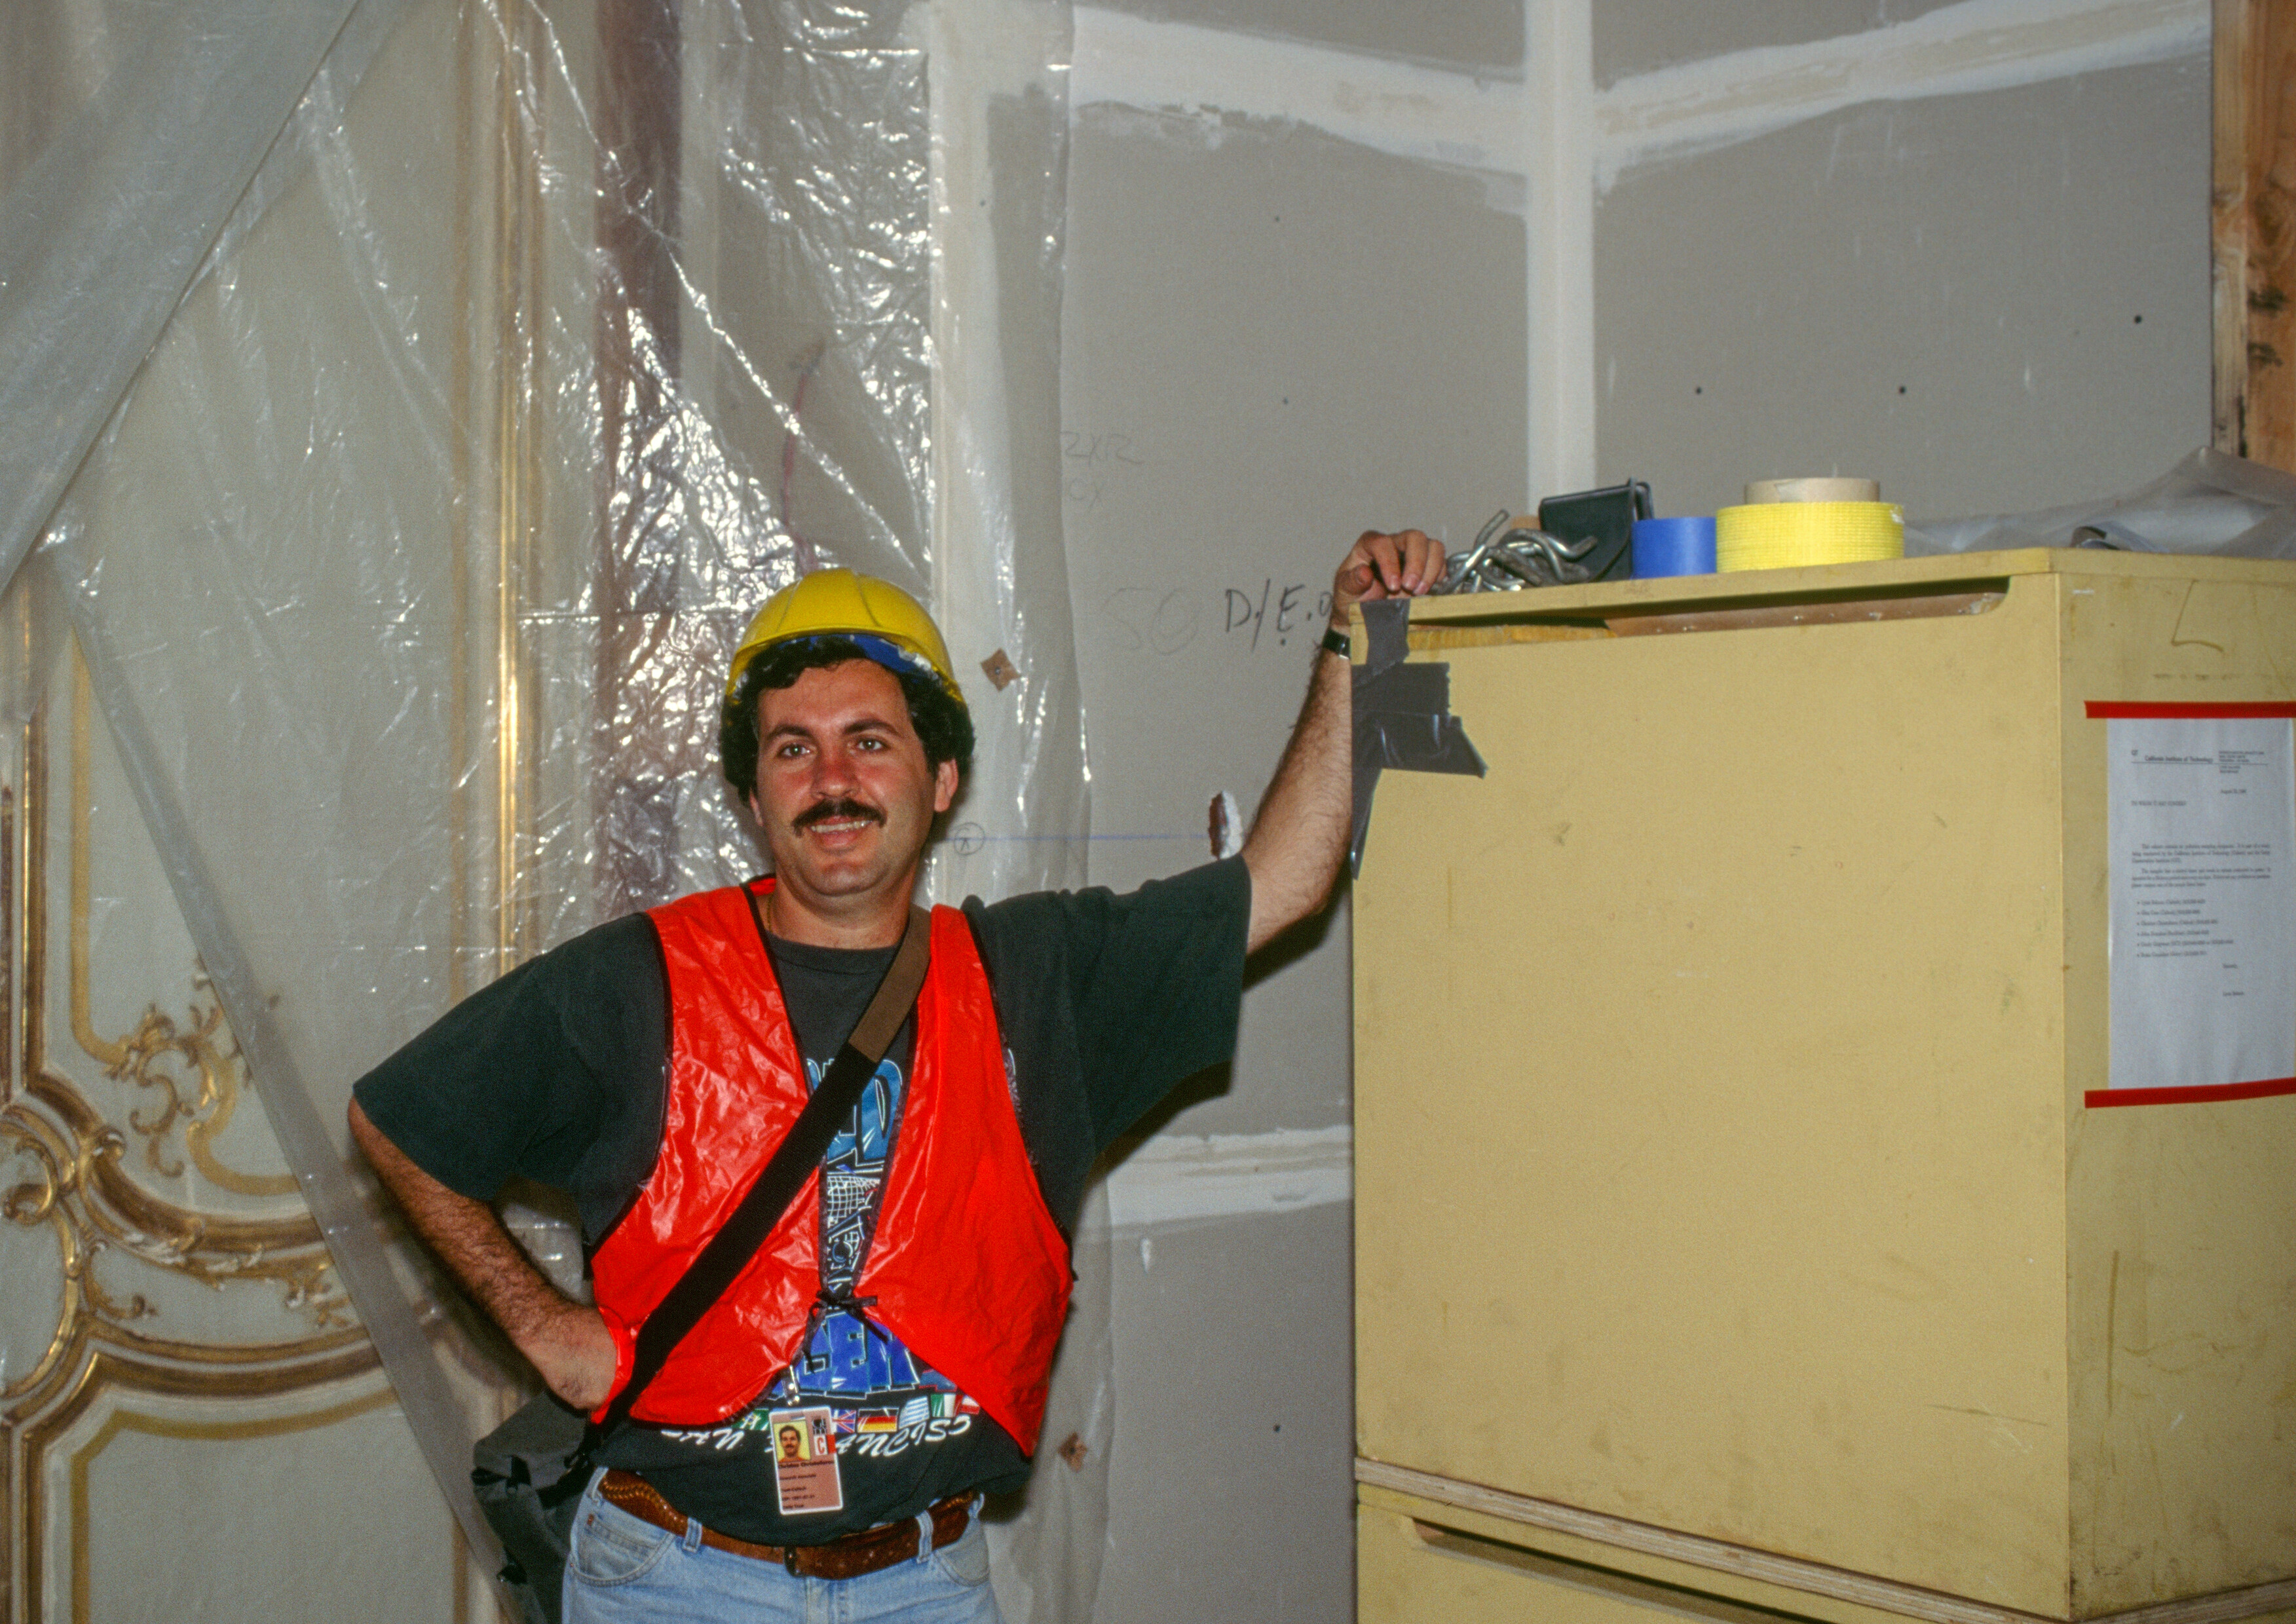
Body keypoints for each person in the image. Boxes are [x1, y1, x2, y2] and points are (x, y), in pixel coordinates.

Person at [348, 529, 1446, 1622]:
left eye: (869, 742)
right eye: (792, 749)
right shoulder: (634, 982)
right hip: (675, 1582)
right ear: (753, 796)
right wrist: (549, 1335)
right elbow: (399, 1122)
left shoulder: (1042, 977)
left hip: (927, 1584)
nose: (831, 781)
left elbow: (1281, 883)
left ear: (942, 778)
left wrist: (1351, 642)